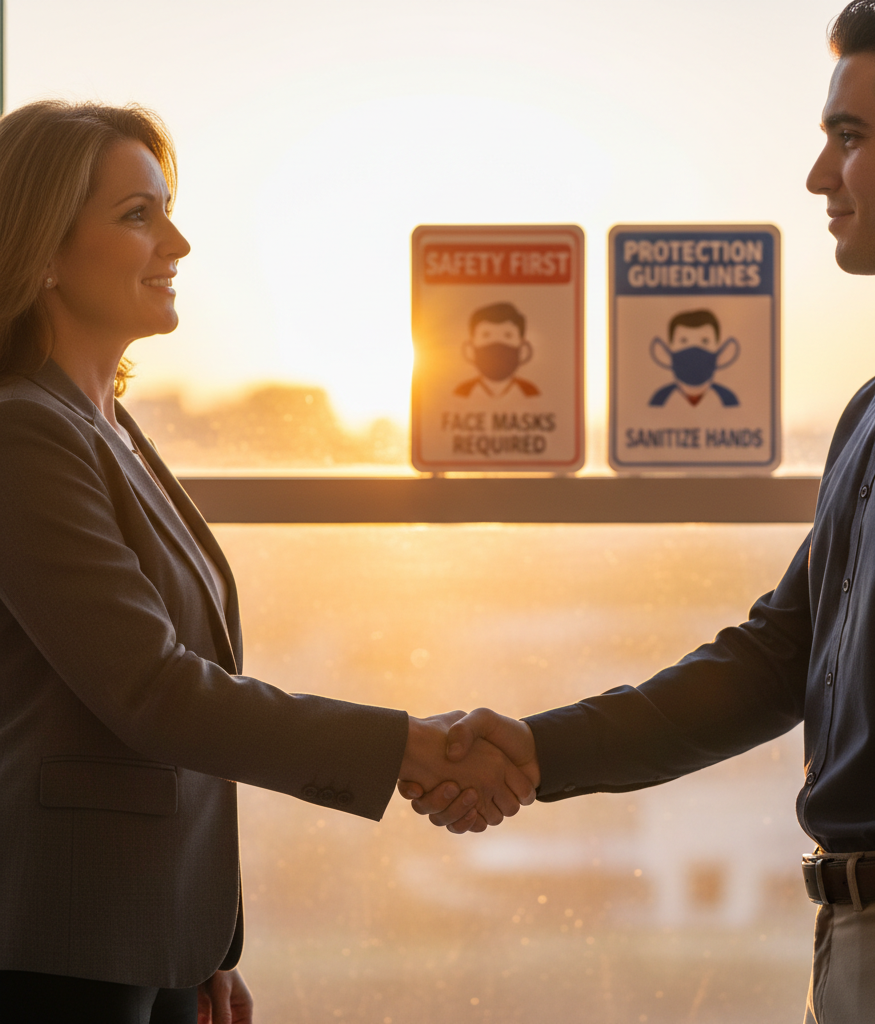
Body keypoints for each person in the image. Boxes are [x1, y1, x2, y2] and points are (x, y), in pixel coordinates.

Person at [402, 1, 875, 1020]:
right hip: (866, 943)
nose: (818, 176)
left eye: (849, 137)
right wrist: (538, 748)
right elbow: (777, 657)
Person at [0, 100, 535, 1024]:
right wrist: (403, 747)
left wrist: (204, 940)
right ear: (43, 249)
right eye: (138, 215)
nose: (178, 243)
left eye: (168, 210)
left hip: (147, 932)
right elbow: (154, 692)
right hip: (63, 935)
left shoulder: (108, 429)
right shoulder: (24, 433)